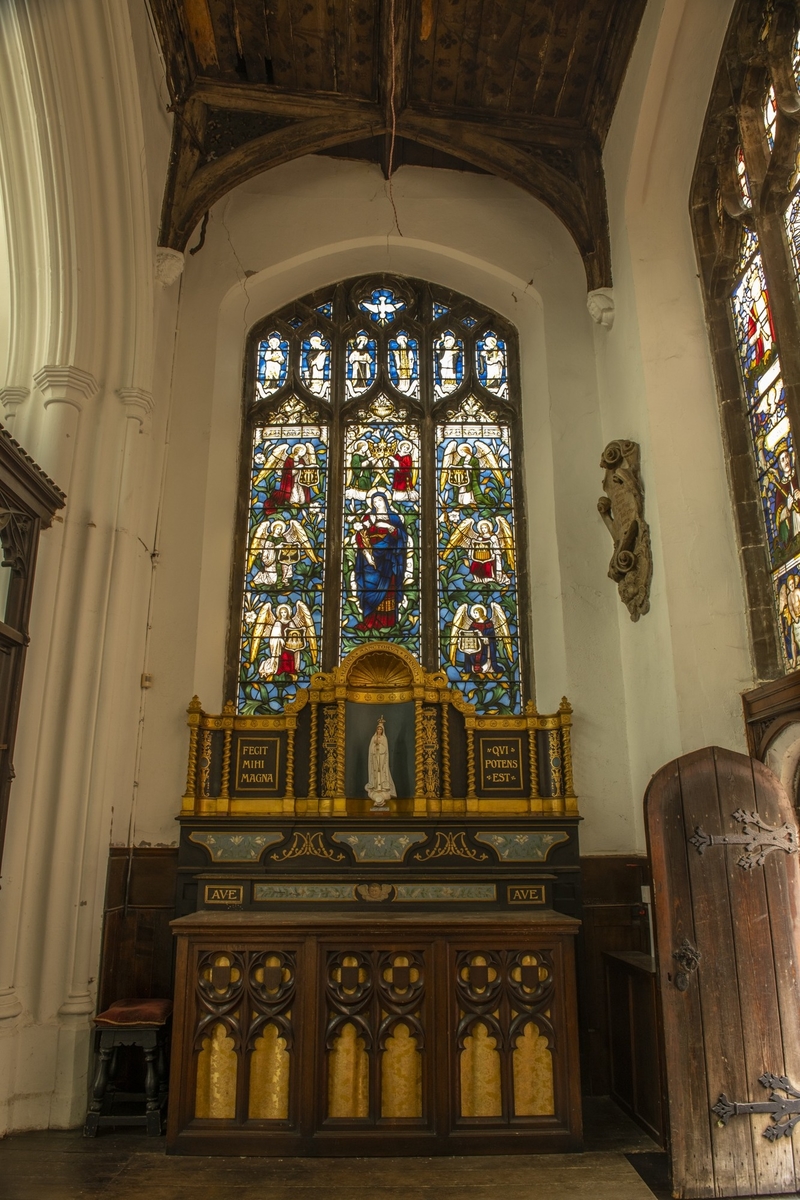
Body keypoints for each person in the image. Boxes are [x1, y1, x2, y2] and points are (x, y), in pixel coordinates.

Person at [353, 493, 408, 629]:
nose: (377, 503)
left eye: (379, 500)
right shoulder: (368, 517)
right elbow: (360, 536)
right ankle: (369, 622)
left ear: (385, 501)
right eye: (374, 501)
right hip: (370, 560)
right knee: (369, 587)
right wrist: (366, 553)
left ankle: (389, 623)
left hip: (389, 559)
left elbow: (402, 536)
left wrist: (391, 529)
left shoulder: (394, 518)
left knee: (389, 589)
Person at [365, 715, 396, 809]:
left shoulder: (384, 739)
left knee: (382, 774)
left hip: (382, 759)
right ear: (376, 730)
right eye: (378, 729)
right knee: (375, 774)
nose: (379, 731)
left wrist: (380, 746)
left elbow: (385, 749)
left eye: (381, 729)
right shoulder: (373, 738)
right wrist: (375, 746)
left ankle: (382, 789)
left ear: (382, 730)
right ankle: (375, 789)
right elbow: (371, 750)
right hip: (375, 759)